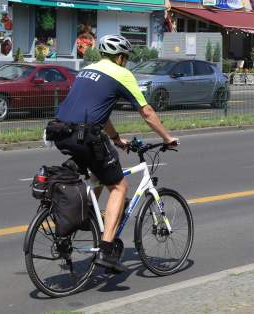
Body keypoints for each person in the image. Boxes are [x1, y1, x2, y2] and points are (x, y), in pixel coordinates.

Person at [50, 34, 179, 273]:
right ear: (120, 57)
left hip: (60, 132)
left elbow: (100, 111)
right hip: (85, 135)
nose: (126, 62)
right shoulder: (121, 74)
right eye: (126, 58)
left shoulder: (87, 70)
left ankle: (87, 214)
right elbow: (147, 112)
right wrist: (167, 137)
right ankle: (107, 249)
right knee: (119, 187)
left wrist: (116, 138)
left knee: (99, 173)